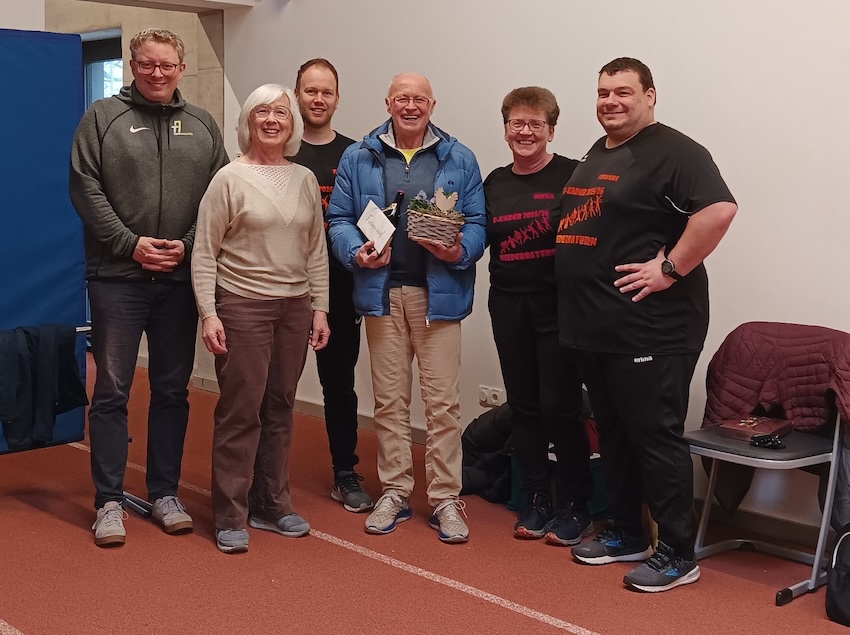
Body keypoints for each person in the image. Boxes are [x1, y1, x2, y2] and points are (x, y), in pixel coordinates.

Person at [555, 58, 737, 592]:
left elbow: (719, 211)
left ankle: (678, 552)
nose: (611, 101)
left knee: (654, 437)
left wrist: (668, 268)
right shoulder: (597, 150)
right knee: (612, 433)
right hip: (596, 327)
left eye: (623, 92)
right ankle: (626, 532)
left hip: (650, 328)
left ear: (650, 96)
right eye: (603, 92)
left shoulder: (676, 151)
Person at [69, 28, 229, 548]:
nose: (156, 73)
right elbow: (84, 185)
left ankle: (163, 492)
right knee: (112, 389)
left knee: (170, 389)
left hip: (179, 281)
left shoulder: (203, 126)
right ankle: (109, 502)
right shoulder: (101, 118)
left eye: (166, 65)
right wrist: (129, 243)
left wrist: (186, 244)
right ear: (132, 65)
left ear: (181, 69)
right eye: (146, 64)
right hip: (118, 278)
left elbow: (218, 195)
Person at [326, 73, 486, 543]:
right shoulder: (359, 155)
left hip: (440, 297)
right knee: (390, 402)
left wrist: (460, 251)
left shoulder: (460, 157)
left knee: (443, 405)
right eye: (402, 98)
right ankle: (394, 491)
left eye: (419, 98)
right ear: (388, 103)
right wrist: (356, 252)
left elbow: (477, 222)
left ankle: (444, 498)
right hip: (381, 294)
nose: (410, 106)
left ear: (432, 104)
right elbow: (338, 218)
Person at [192, 84, 329, 554]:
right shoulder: (228, 179)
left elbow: (316, 251)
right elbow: (205, 252)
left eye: (281, 113)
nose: (272, 120)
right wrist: (209, 312)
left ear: (292, 125)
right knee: (240, 411)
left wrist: (320, 307)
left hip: (294, 308)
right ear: (249, 120)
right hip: (242, 304)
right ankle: (230, 514)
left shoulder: (305, 178)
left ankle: (272, 503)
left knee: (280, 409)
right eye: (263, 112)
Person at [484, 87, 594, 544]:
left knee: (561, 407)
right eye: (516, 123)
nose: (525, 131)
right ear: (505, 128)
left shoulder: (574, 177)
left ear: (551, 129)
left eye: (535, 124)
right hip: (509, 305)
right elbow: (474, 238)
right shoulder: (493, 182)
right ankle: (535, 498)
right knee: (524, 407)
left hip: (559, 309)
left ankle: (575, 505)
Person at [289, 59, 372, 513]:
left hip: (339, 288)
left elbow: (371, 216)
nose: (318, 99)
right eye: (310, 91)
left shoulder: (357, 155)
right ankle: (263, 475)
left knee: (338, 385)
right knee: (270, 387)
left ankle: (345, 472)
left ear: (337, 98)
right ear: (297, 95)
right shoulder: (278, 149)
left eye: (326, 92)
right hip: (282, 287)